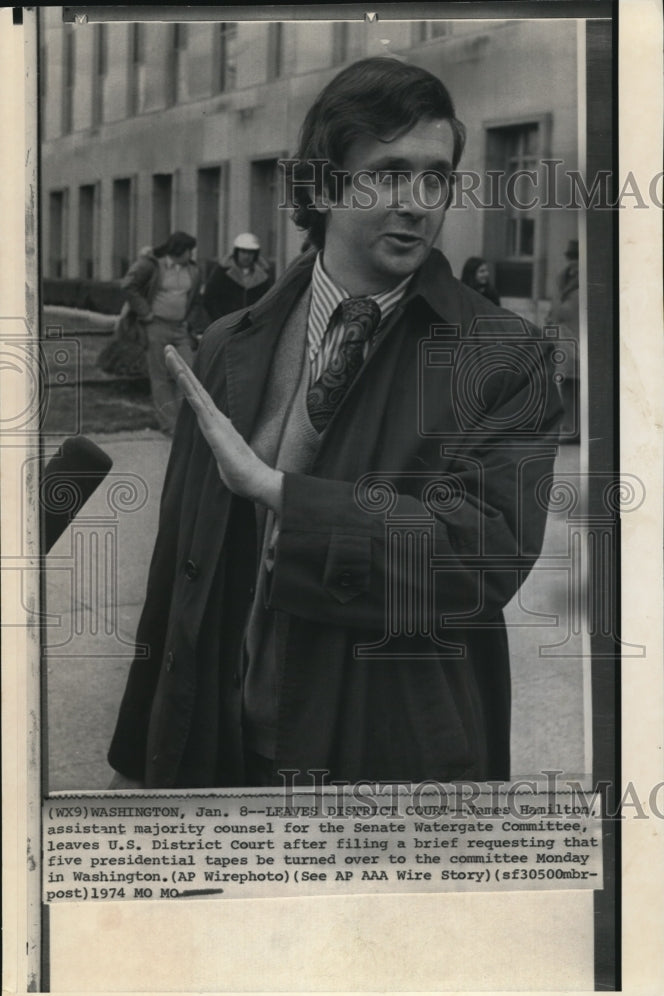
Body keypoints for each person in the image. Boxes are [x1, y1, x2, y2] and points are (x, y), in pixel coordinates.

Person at [108, 57, 563, 790]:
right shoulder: (229, 345)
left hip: (388, 759)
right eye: (387, 174)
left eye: (435, 178)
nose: (416, 202)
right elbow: (178, 572)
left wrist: (284, 494)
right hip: (228, 749)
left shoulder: (502, 356)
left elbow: (481, 560)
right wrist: (140, 757)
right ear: (322, 184)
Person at [119, 232, 202, 435]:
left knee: (187, 373)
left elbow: (195, 299)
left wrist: (189, 322)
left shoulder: (193, 270)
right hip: (156, 326)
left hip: (180, 328)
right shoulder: (152, 265)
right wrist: (145, 312)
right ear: (179, 250)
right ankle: (170, 425)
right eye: (189, 250)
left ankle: (185, 422)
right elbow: (129, 286)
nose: (191, 254)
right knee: (160, 376)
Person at [546, 239, 579, 437]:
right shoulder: (562, 279)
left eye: (575, 257)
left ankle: (577, 428)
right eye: (569, 257)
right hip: (564, 339)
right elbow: (553, 309)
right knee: (566, 384)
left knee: (579, 386)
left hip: (578, 339)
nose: (572, 261)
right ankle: (569, 427)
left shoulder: (585, 281)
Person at [202, 233, 273, 322]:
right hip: (226, 324)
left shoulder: (263, 275)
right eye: (243, 252)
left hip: (252, 326)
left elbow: (268, 301)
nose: (246, 256)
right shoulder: (222, 271)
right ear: (236, 252)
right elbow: (209, 298)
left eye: (250, 253)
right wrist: (220, 320)